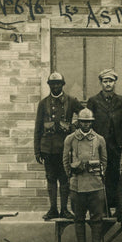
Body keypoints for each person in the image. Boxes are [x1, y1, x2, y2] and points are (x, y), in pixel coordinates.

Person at [34, 72, 83, 220]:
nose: (55, 86)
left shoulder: (71, 100)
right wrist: (37, 150)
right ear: (49, 85)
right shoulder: (43, 103)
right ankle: (53, 209)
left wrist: (74, 126)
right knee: (50, 178)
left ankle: (64, 210)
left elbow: (85, 114)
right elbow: (38, 128)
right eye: (52, 84)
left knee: (64, 178)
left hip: (64, 148)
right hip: (47, 149)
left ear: (63, 85)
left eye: (58, 84)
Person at [62, 108, 107, 242]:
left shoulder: (99, 139)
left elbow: (104, 161)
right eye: (83, 121)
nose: (86, 125)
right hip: (77, 186)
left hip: (95, 186)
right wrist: (71, 177)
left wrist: (98, 174)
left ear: (92, 122)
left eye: (89, 122)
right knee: (79, 219)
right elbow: (65, 161)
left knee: (97, 219)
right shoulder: (70, 139)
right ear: (78, 122)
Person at [87, 69, 122, 215]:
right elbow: (87, 121)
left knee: (114, 174)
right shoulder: (93, 101)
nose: (108, 84)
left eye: (110, 81)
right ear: (101, 83)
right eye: (105, 81)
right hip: (99, 145)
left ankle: (117, 207)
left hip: (115, 144)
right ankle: (102, 209)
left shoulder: (120, 100)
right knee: (100, 174)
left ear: (114, 83)